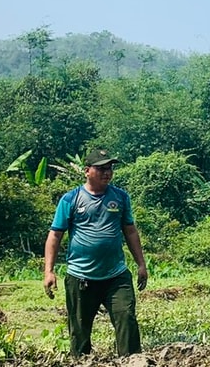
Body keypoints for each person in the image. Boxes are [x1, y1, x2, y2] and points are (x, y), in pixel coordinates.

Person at [43, 148, 148, 357]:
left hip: (116, 276)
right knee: (79, 330)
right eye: (101, 169)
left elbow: (130, 231)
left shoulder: (120, 197)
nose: (107, 173)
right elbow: (55, 235)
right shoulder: (70, 199)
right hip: (81, 278)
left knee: (126, 318)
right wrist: (49, 271)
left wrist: (141, 264)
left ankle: (131, 361)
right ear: (87, 171)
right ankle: (81, 361)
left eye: (109, 168)